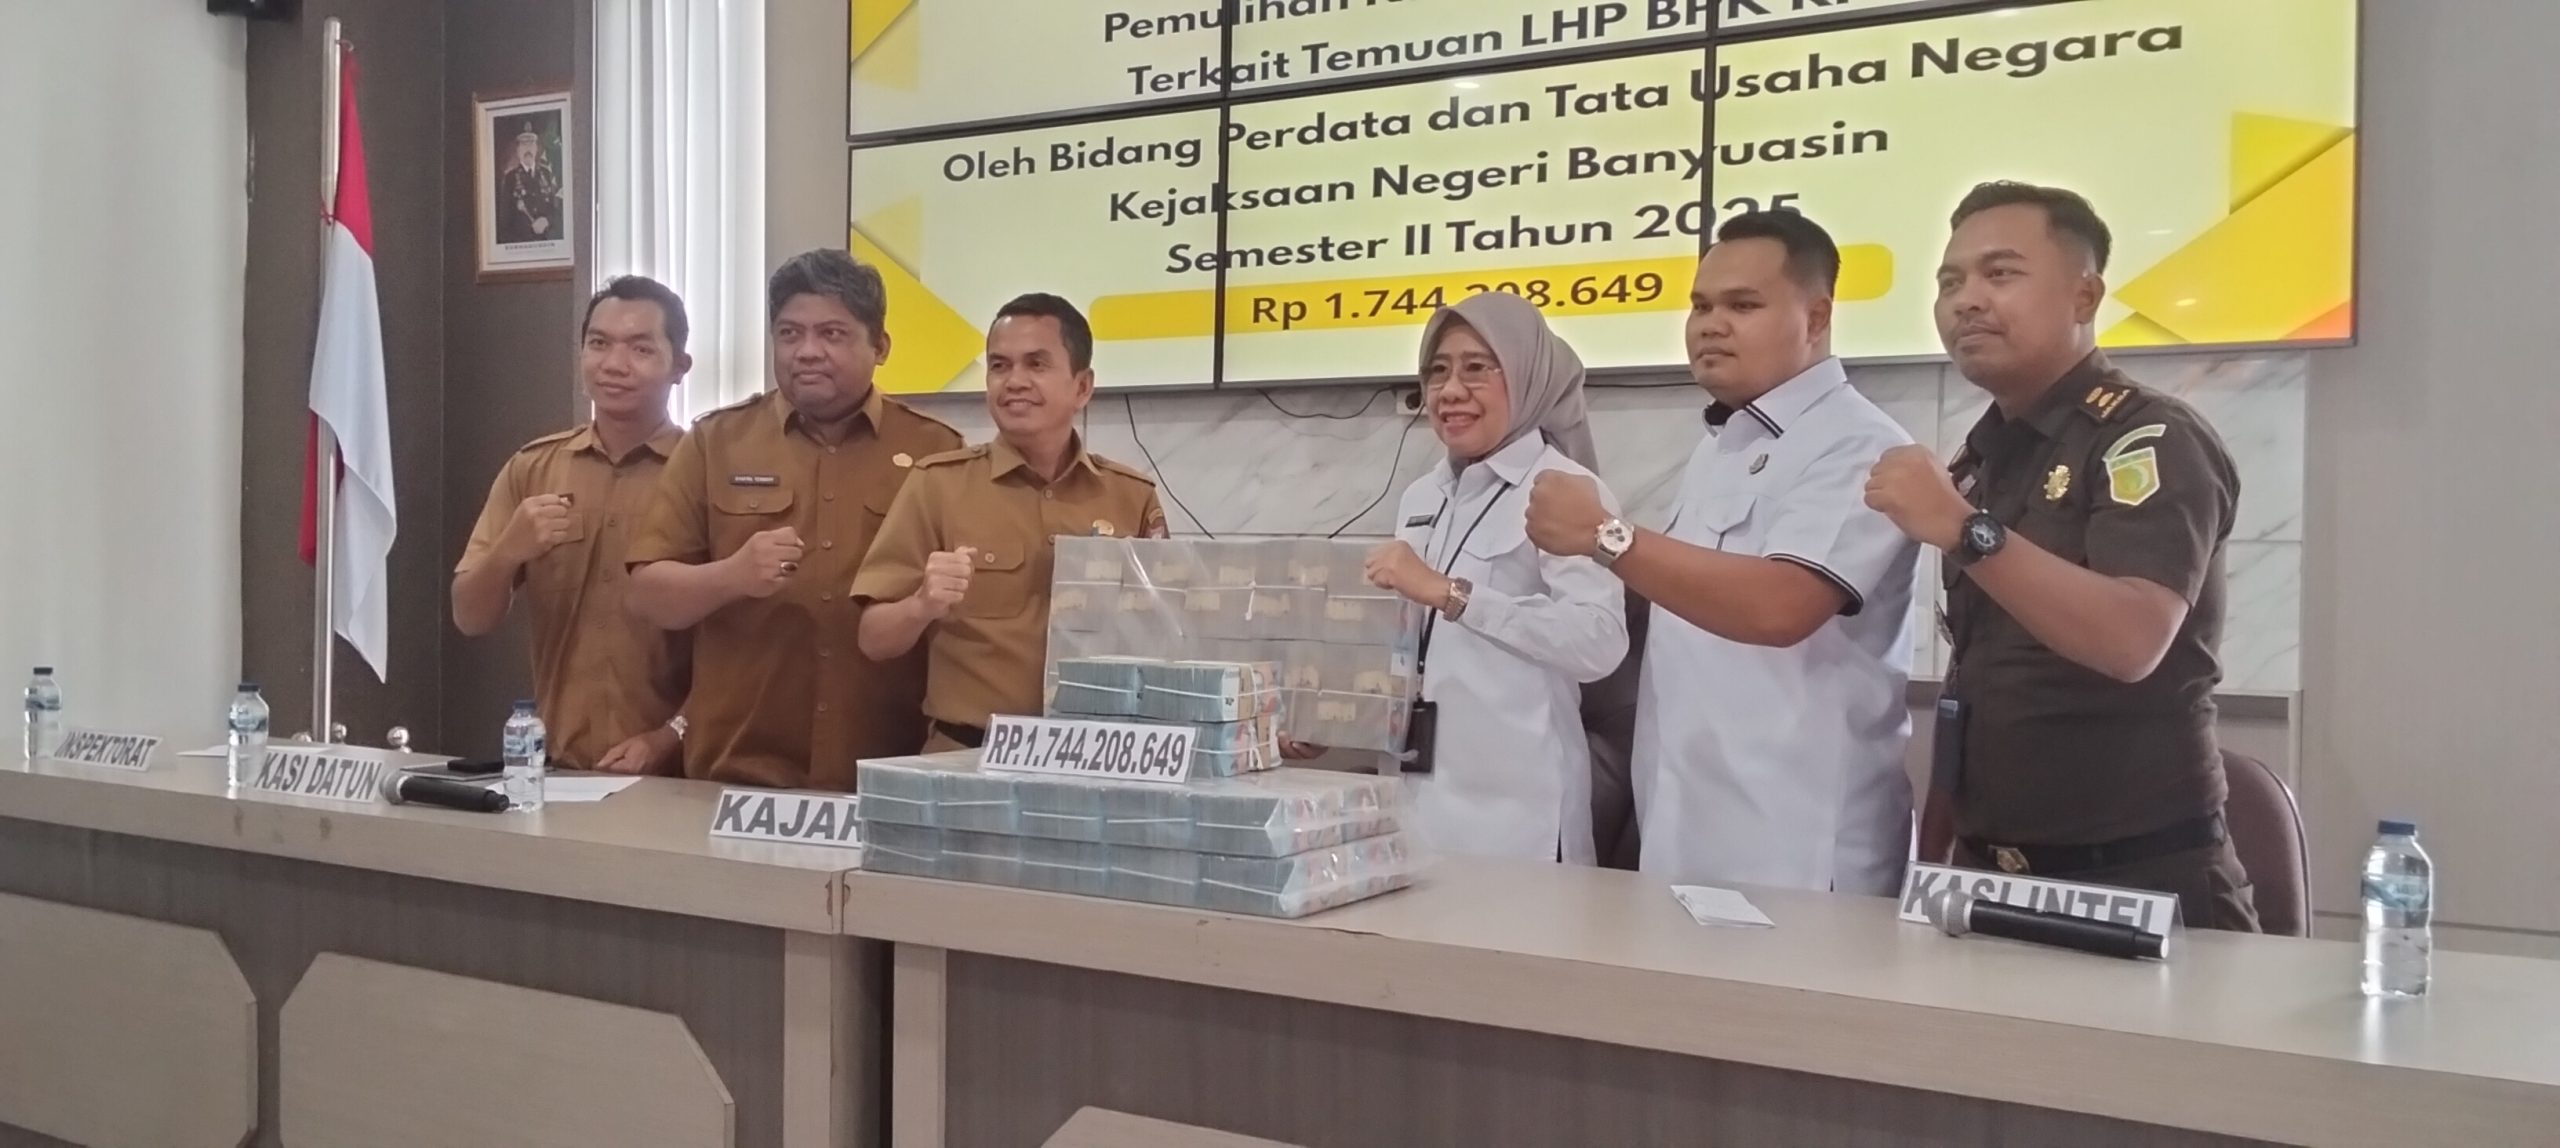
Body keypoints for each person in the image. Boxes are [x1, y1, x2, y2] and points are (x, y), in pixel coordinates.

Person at [1863, 182, 2257, 931]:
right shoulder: (1984, 458)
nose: (1966, 300)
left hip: (2141, 881)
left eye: (2000, 274)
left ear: (2085, 295)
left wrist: (1964, 530)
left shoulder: (2148, 439)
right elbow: (1978, 678)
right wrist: (1938, 856)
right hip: (1985, 873)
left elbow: (2131, 639)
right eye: (1950, 282)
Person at [1525, 210, 1921, 896]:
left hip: (1794, 846)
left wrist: (1606, 537)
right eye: (1701, 305)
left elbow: (1781, 606)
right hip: (1686, 826)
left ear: (1817, 317)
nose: (1711, 325)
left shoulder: (1859, 443)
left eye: (1742, 305)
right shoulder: (1723, 446)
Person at [625, 250, 961, 790]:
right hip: (740, 771)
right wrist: (731, 575)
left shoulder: (935, 450)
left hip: (887, 769)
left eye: (832, 334)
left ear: (880, 346)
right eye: (789, 334)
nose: (807, 351)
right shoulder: (716, 442)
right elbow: (648, 595)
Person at [1362, 292, 1626, 862]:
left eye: (1477, 368)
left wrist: (1452, 594)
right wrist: (1331, 717)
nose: (1450, 391)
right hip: (1414, 809)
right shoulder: (1421, 495)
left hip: (1521, 821)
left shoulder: (1565, 489)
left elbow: (1600, 642)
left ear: (1528, 376)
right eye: (1437, 371)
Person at [852, 293, 1165, 752]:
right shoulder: (938, 485)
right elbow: (873, 639)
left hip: (1099, 755)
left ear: (1082, 387)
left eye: (1036, 364)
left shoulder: (1130, 497)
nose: (1014, 381)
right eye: (999, 366)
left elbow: (1168, 637)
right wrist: (921, 604)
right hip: (969, 755)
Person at [451, 275, 694, 774]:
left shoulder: (704, 474)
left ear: (679, 367)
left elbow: (746, 646)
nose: (614, 364)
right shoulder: (533, 468)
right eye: (599, 344)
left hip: (682, 771)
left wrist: (668, 736)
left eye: (640, 349)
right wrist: (508, 551)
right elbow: (469, 617)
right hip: (560, 769)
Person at [498, 125, 562, 245]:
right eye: (524, 144)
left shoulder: (546, 174)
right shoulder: (510, 178)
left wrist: (547, 221)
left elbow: (555, 209)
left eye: (531, 144)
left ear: (536, 148)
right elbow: (504, 222)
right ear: (518, 150)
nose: (528, 149)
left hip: (547, 243)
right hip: (521, 244)